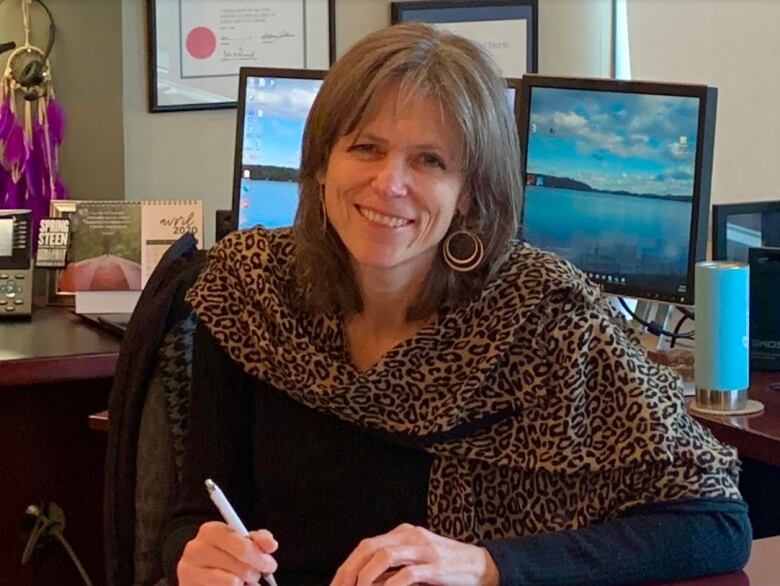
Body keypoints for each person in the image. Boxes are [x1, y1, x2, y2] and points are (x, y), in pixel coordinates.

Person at [163, 22, 750, 586]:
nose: (390, 183)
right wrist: (195, 556)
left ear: (470, 192)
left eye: (430, 160)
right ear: (320, 164)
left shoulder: (546, 317)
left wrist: (485, 566)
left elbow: (714, 523)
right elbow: (196, 511)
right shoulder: (251, 291)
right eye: (366, 147)